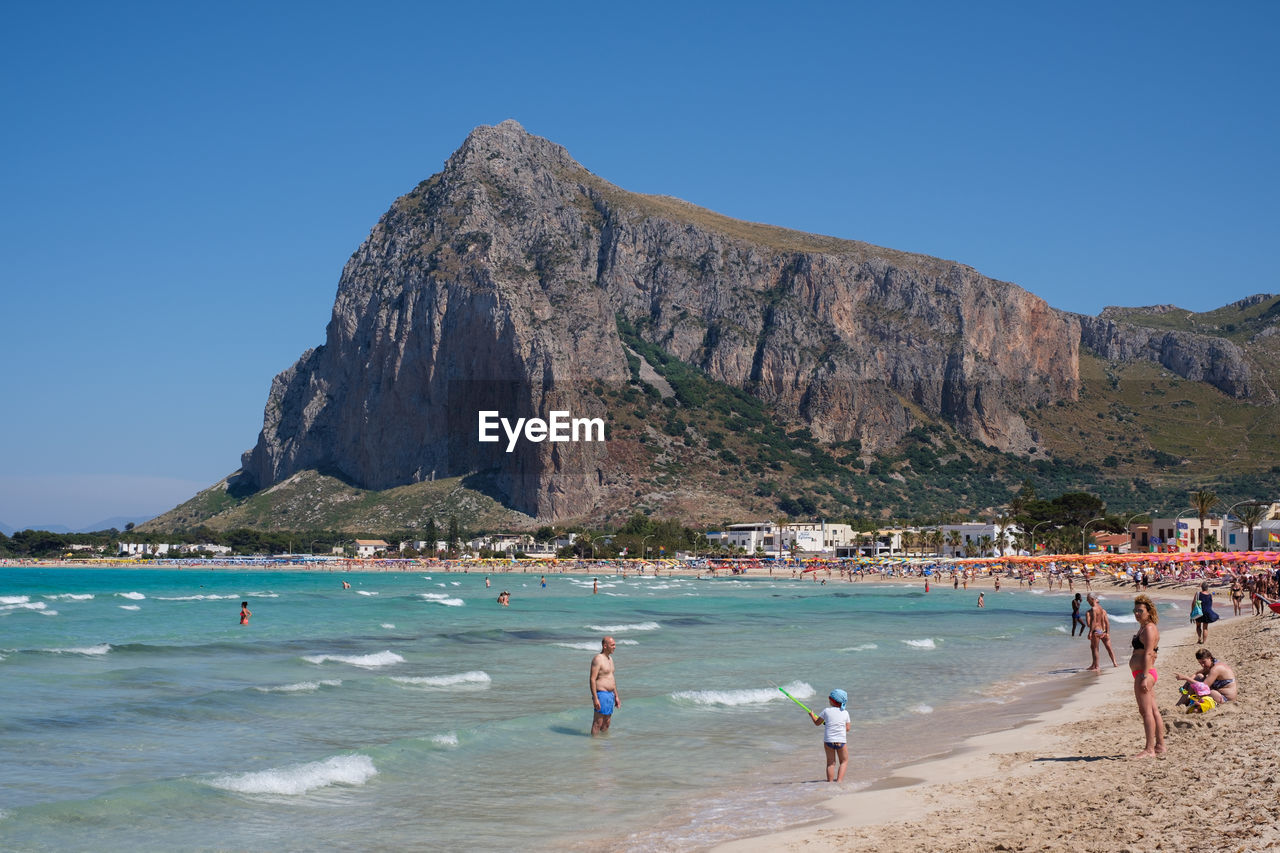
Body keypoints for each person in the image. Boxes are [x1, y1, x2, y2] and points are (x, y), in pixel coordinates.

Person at [1129, 594, 1165, 758]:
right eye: (1135, 610)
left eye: (1140, 610)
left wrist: (1143, 675)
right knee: (1153, 710)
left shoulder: (1149, 628)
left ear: (1148, 611)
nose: (1137, 613)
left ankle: (1149, 749)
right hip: (1143, 672)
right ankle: (1160, 745)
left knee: (1146, 712)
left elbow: (1149, 653)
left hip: (1145, 673)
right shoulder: (1143, 627)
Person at [808, 689, 851, 782]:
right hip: (841, 741)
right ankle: (839, 781)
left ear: (831, 700)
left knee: (830, 763)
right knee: (844, 761)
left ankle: (830, 782)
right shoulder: (845, 713)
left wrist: (812, 715)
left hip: (828, 741)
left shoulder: (826, 711)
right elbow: (847, 728)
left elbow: (817, 723)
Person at [589, 636, 619, 735]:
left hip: (610, 695)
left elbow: (611, 678)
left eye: (614, 644)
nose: (615, 647)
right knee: (598, 723)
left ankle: (602, 745)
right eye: (612, 645)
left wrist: (616, 696)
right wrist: (595, 698)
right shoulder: (598, 659)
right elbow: (592, 679)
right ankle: (594, 746)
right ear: (605, 646)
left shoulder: (610, 659)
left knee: (607, 723)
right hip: (601, 694)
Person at [1085, 594, 1117, 670]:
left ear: (1092, 599)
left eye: (1088, 599)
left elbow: (1091, 623)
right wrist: (1107, 632)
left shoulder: (1092, 610)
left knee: (1095, 648)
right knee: (1108, 647)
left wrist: (1090, 632)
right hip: (1102, 630)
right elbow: (1107, 622)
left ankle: (1096, 666)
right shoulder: (1101, 609)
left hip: (1096, 630)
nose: (1087, 601)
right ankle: (1115, 663)